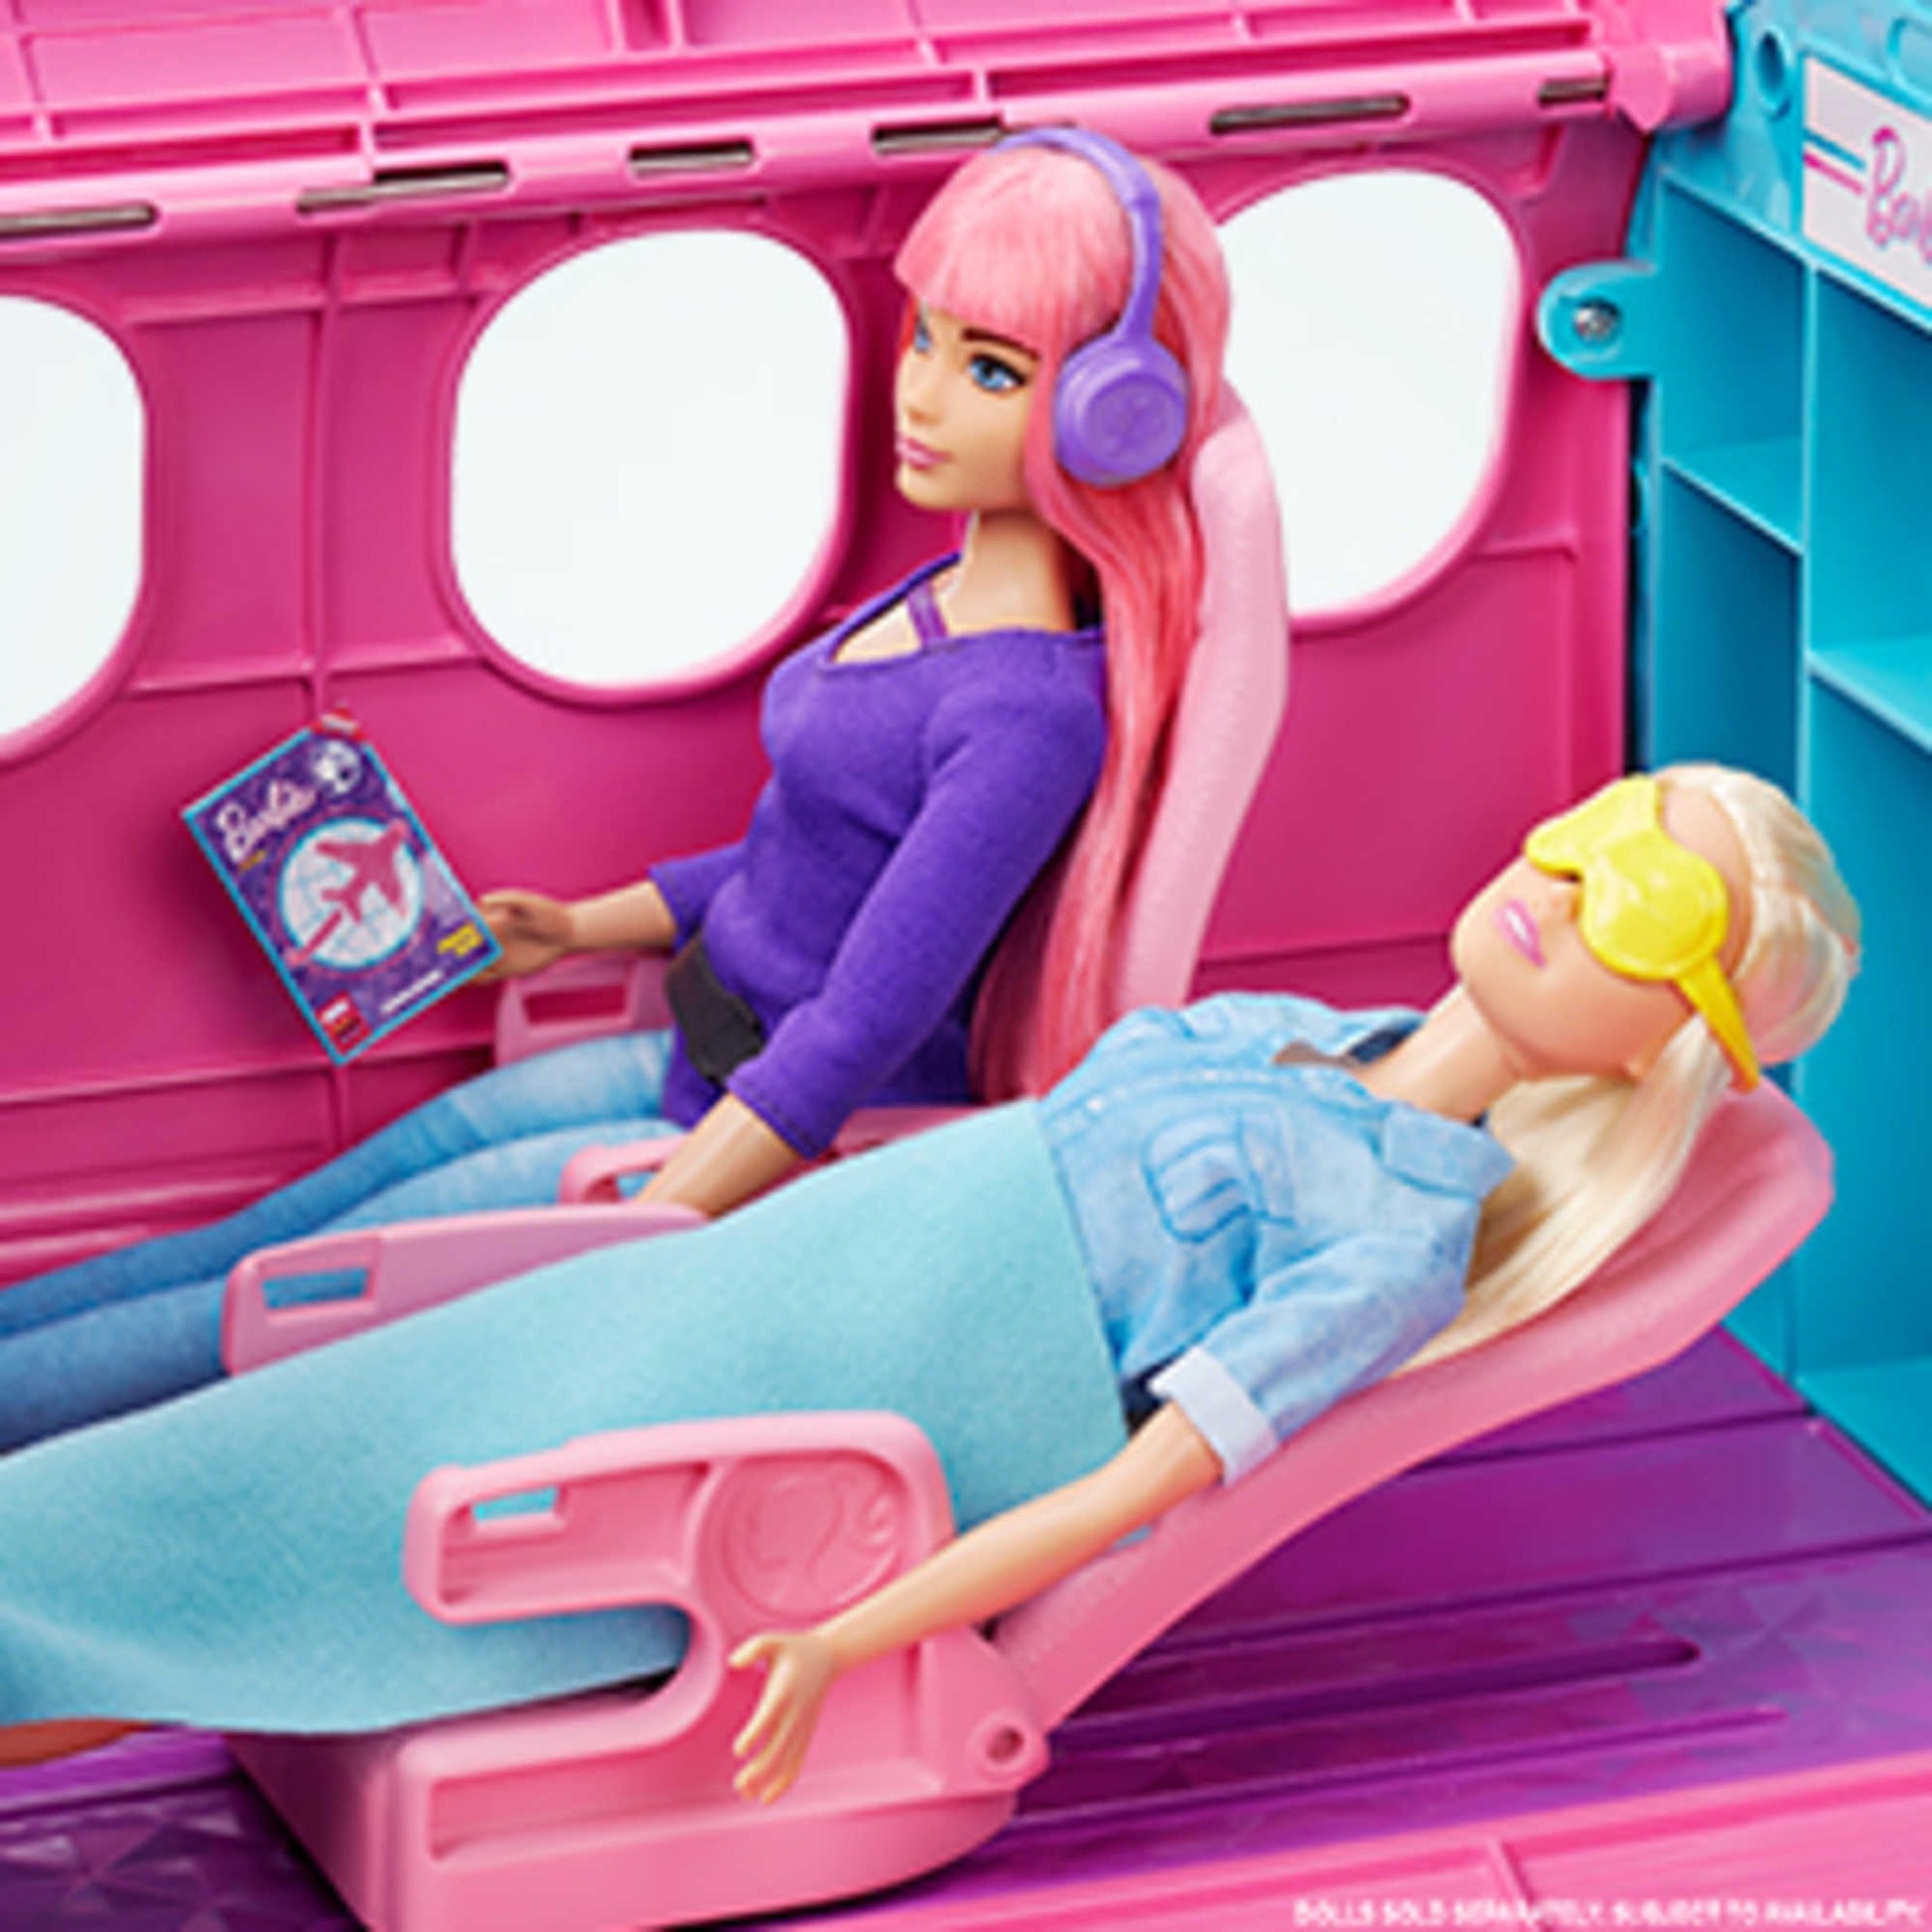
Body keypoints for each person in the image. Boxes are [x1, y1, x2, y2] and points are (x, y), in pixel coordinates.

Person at [0, 764, 1858, 1770]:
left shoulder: (1394, 1240)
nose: (1566, 881)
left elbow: (1133, 1496)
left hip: (820, 1391)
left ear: (1660, 1041)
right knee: (290, 1441)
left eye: (1643, 901)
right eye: (1598, 827)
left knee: (311, 1545)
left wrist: (846, 1636)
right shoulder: (1296, 1031)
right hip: (742, 1285)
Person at [0, 130, 1235, 1449]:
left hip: (748, 1125)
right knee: (267, 1235)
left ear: (1112, 416)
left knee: (257, 1307)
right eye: (925, 339)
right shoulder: (940, 601)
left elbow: (864, 1020)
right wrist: (580, 925)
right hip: (690, 1045)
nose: (920, 394)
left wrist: (655, 1228)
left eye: (988, 370)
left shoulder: (1027, 716)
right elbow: (810, 857)